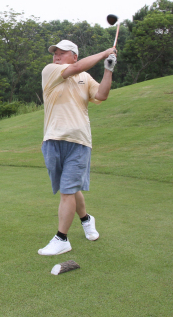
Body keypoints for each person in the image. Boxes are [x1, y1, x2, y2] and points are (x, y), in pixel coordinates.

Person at [38, 39, 117, 256]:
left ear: (74, 55)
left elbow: (101, 95)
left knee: (67, 190)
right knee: (69, 189)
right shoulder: (50, 70)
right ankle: (86, 219)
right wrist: (104, 53)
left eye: (61, 53)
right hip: (52, 140)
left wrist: (108, 69)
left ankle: (61, 239)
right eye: (55, 53)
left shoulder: (85, 78)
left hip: (80, 142)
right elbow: (77, 67)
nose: (56, 56)